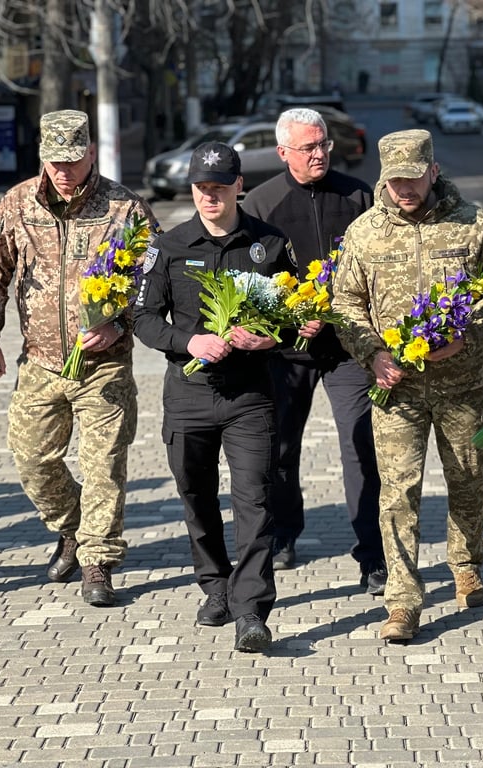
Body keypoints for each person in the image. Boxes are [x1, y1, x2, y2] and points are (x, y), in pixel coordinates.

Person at [333, 129, 483, 642]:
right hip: (397, 388)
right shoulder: (364, 233)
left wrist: (470, 332)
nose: (404, 190)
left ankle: (465, 562)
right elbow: (344, 303)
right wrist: (372, 353)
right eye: (394, 182)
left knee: (466, 475)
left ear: (432, 171)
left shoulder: (473, 223)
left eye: (413, 179)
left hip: (462, 381)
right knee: (398, 492)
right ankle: (403, 601)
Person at [0, 109, 156, 608]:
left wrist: (120, 324)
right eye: (55, 161)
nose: (65, 171)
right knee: (32, 460)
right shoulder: (17, 203)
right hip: (41, 362)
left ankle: (98, 562)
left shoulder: (124, 208)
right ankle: (71, 528)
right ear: (42, 158)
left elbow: (154, 283)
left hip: (106, 365)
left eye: (73, 159)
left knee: (103, 467)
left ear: (91, 153)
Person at [133, 141, 296, 653]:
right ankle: (214, 586)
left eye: (220, 188)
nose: (210, 197)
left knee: (255, 499)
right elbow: (141, 319)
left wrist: (272, 338)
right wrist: (188, 342)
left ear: (238, 187)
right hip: (189, 394)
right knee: (196, 496)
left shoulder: (269, 244)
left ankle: (252, 609)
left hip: (251, 396)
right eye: (202, 189)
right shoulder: (170, 245)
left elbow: (295, 318)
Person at [241, 108, 386, 592]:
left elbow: (377, 269)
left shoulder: (359, 195)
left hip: (346, 347)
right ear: (284, 153)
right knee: (280, 449)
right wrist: (286, 318)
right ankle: (283, 534)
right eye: (308, 148)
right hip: (285, 353)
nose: (320, 153)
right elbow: (251, 285)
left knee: (361, 446)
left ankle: (372, 554)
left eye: (323, 144)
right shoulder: (261, 204)